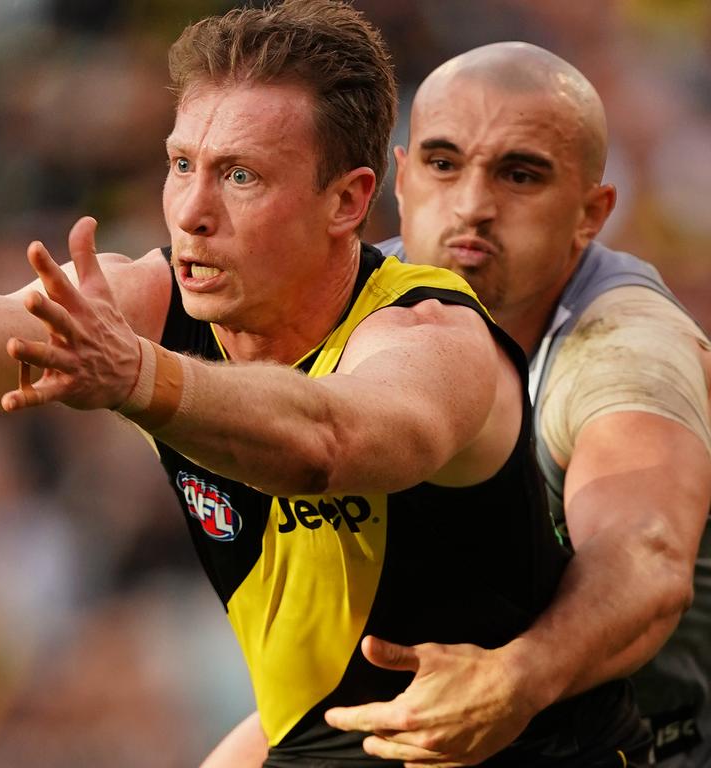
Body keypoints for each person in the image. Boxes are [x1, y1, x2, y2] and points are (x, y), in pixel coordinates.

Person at [0, 4, 651, 765]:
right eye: (181, 165)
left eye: (240, 175)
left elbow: (332, 442)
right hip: (321, 741)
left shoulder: (427, 332)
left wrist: (141, 378)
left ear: (347, 200)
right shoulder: (147, 305)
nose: (192, 212)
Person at [205, 41, 711, 768]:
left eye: (521, 174)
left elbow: (648, 557)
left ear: (590, 213)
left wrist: (513, 681)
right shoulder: (366, 322)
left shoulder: (623, 347)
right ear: (401, 182)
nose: (473, 206)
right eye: (444, 164)